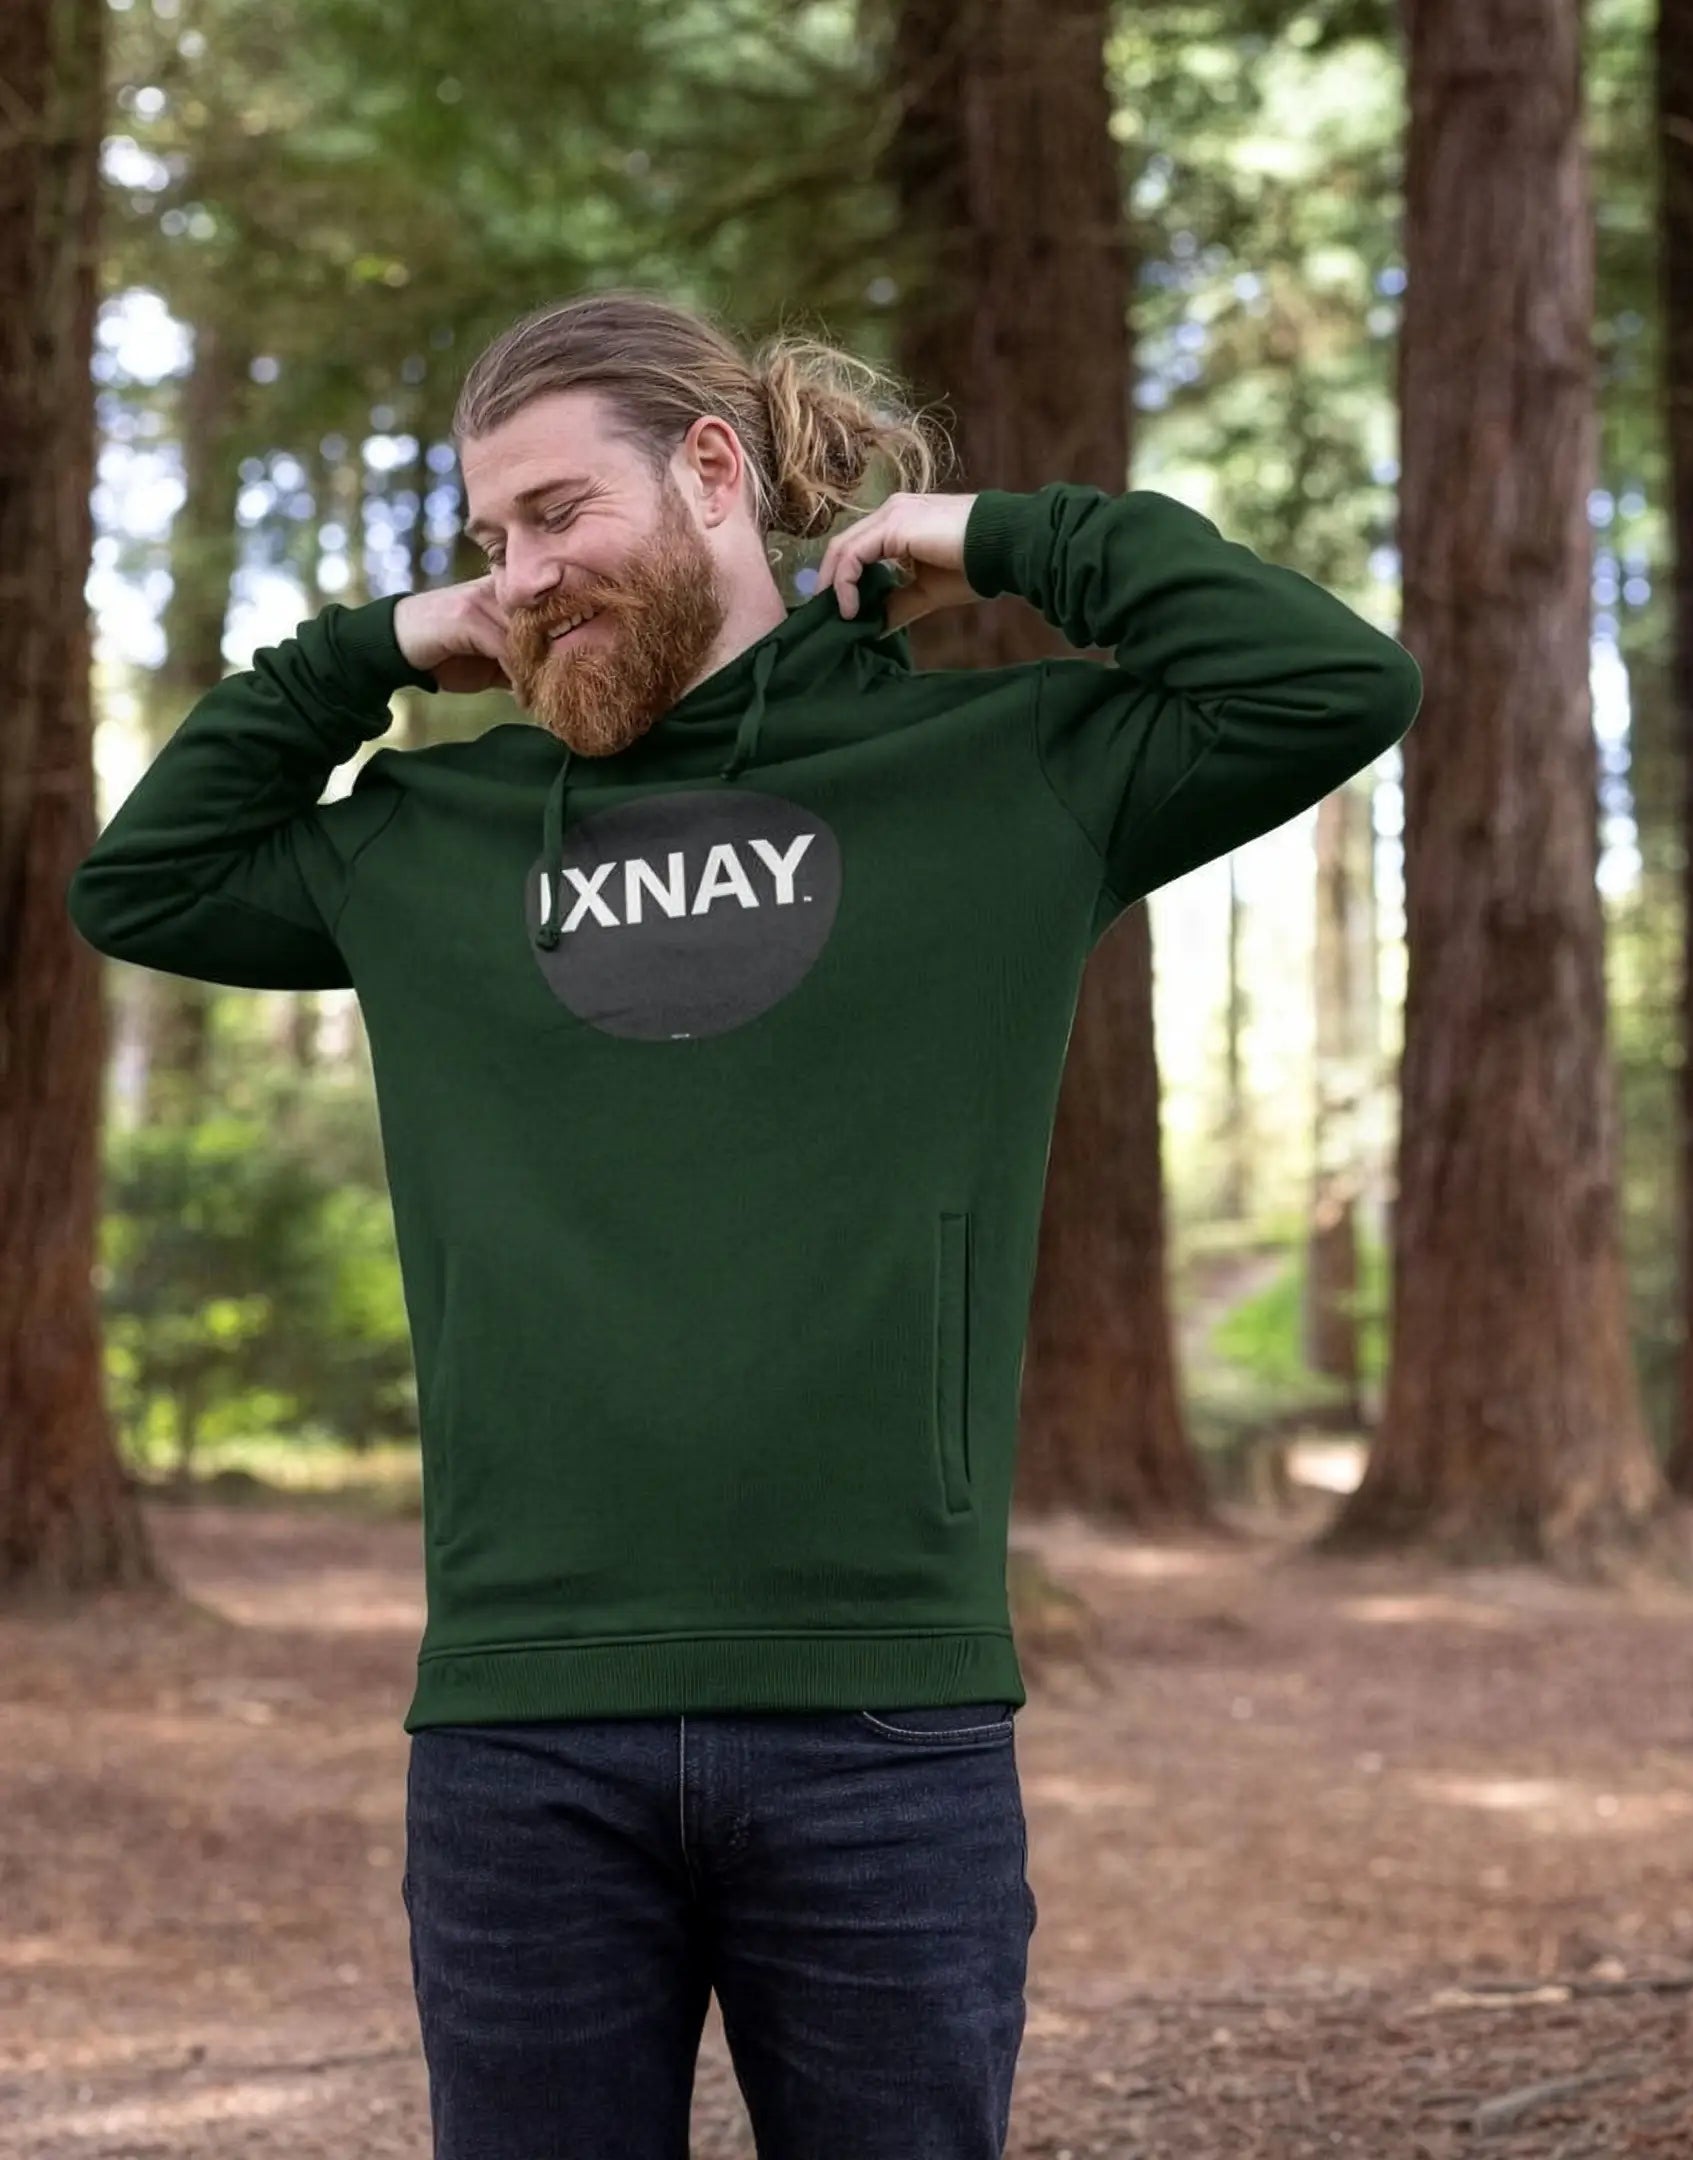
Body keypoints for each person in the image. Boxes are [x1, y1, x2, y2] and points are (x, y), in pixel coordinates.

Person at [65, 288, 1423, 2159]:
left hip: (884, 1723)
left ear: (716, 471)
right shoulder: (434, 839)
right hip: (522, 1726)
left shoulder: (996, 777)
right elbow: (144, 884)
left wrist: (999, 536)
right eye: (489, 540)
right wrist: (382, 645)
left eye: (558, 515)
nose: (523, 577)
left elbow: (1336, 684)